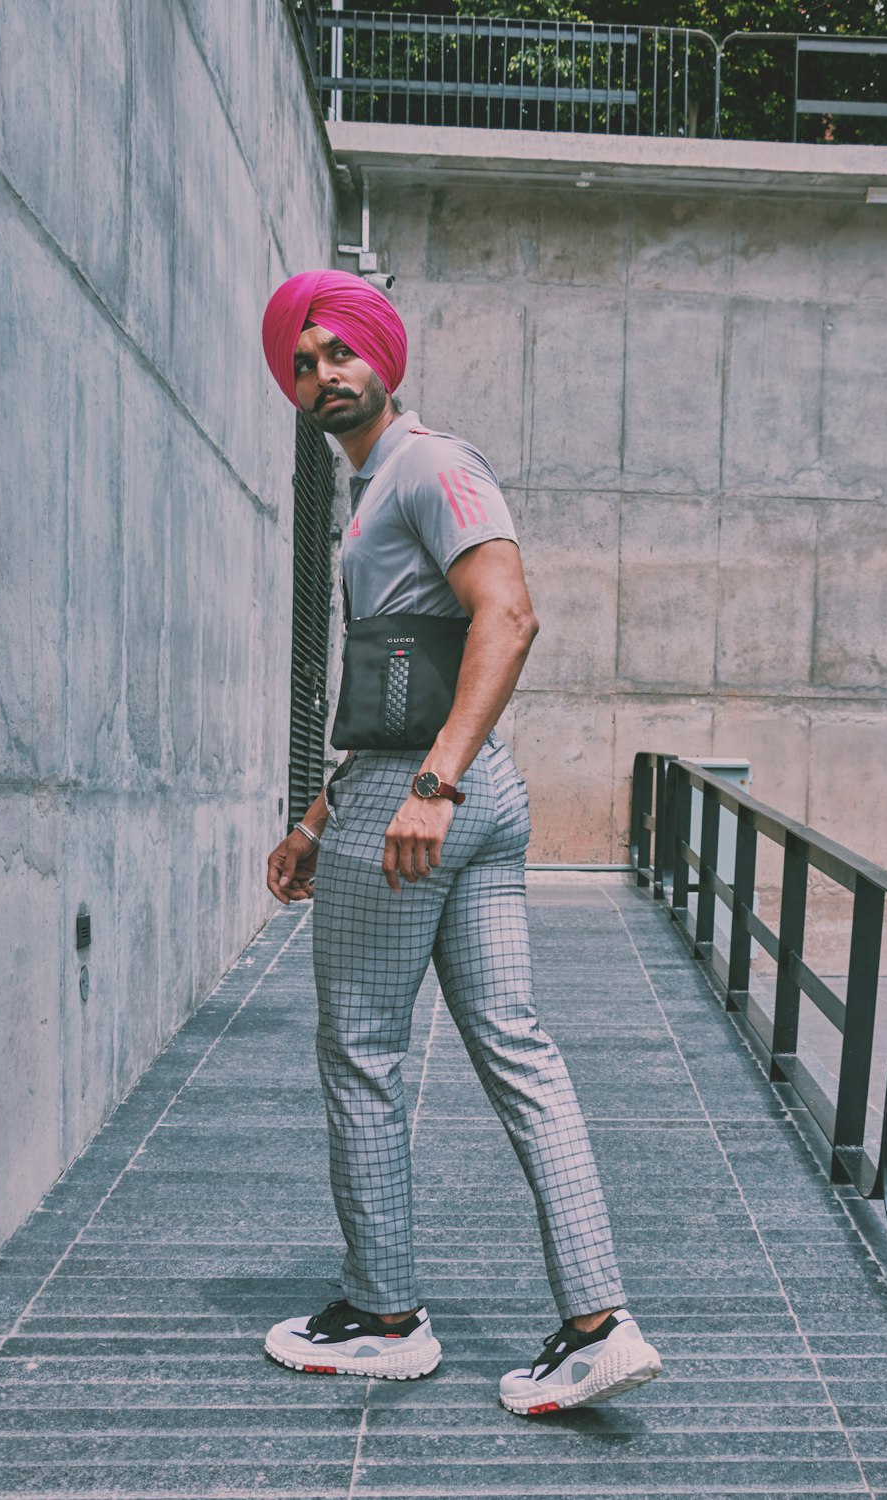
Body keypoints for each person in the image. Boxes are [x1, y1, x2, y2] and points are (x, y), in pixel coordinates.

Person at [259, 269, 661, 1414]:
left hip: (429, 799)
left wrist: (426, 788)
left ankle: (385, 1316)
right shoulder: (380, 483)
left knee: (364, 1056)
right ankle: (596, 1321)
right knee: (517, 1049)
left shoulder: (429, 466)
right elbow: (407, 678)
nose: (323, 374)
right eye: (302, 361)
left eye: (339, 350)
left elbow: (511, 612)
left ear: (384, 354)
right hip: (440, 790)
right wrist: (319, 815)